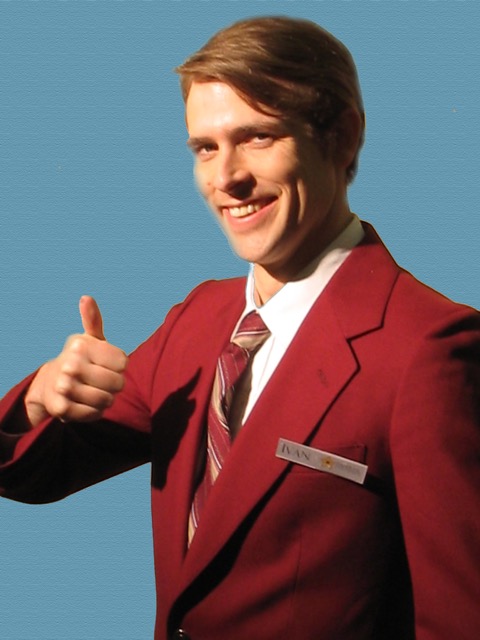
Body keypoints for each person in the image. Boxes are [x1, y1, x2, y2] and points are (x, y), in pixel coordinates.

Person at [0, 15, 479, 640]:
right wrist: (41, 399)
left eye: (257, 137)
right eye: (205, 148)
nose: (226, 178)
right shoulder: (197, 321)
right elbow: (32, 475)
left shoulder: (430, 348)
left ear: (343, 137)